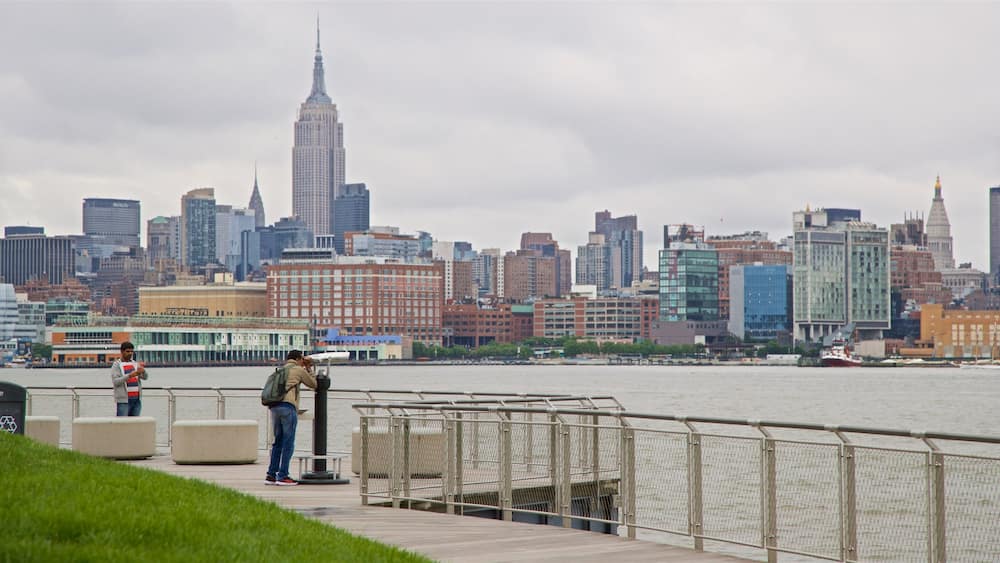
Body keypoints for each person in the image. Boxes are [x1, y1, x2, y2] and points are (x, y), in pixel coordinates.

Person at [266, 350, 317, 486]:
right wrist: (309, 367)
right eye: (302, 359)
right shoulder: (298, 370)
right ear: (299, 359)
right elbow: (313, 384)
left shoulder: (281, 370)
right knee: (289, 442)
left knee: (278, 441)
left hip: (275, 407)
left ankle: (271, 474)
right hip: (288, 407)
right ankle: (283, 476)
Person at [110, 341, 149, 416]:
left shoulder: (134, 363)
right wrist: (129, 376)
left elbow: (145, 377)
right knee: (123, 424)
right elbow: (116, 382)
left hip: (136, 400)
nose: (130, 353)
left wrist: (143, 371)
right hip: (124, 401)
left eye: (131, 351)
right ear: (122, 351)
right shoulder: (116, 365)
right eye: (127, 351)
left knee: (134, 424)